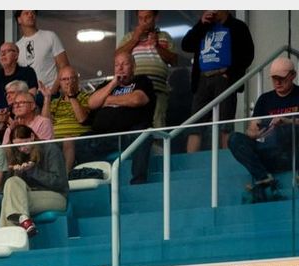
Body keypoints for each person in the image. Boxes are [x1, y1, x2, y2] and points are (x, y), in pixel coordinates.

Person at [181, 11, 254, 154]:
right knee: (195, 123)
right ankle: (191, 159)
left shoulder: (237, 26)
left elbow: (247, 54)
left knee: (225, 123)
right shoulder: (204, 26)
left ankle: (227, 157)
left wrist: (230, 73)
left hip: (224, 77)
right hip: (203, 78)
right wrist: (201, 24)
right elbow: (186, 45)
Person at [229, 56, 299, 202]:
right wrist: (254, 134)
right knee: (234, 138)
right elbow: (251, 129)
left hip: (293, 151)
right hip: (270, 150)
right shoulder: (265, 99)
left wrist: (288, 121)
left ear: (293, 75)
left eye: (281, 78)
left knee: (286, 129)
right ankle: (264, 178)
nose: (277, 82)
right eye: (274, 78)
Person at [78, 51, 154, 185]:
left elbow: (137, 99)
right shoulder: (106, 85)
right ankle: (89, 181)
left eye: (125, 64)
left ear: (133, 67)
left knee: (142, 135)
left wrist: (108, 100)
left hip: (129, 135)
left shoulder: (142, 81)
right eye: (117, 65)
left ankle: (138, 183)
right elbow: (92, 103)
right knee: (81, 141)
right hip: (104, 136)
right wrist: (113, 84)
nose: (120, 68)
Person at [0, 124, 65, 237]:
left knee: (8, 202)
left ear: (32, 136)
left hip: (56, 196)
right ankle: (24, 220)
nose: (22, 149)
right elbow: (9, 187)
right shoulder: (18, 154)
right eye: (18, 146)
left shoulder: (50, 149)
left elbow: (59, 183)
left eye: (24, 143)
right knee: (12, 181)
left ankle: (7, 238)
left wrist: (33, 171)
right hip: (29, 195)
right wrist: (17, 172)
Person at [117, 10, 178, 129]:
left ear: (156, 18)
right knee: (134, 124)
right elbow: (118, 57)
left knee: (157, 124)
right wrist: (134, 39)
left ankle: (158, 141)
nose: (143, 21)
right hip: (134, 91)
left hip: (157, 90)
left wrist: (157, 45)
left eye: (147, 17)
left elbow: (174, 61)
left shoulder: (164, 36)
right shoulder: (129, 37)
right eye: (140, 18)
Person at [42, 66, 91, 170]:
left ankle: (66, 175)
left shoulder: (86, 97)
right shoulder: (55, 102)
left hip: (78, 141)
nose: (68, 82)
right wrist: (47, 98)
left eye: (71, 78)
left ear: (77, 80)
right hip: (55, 142)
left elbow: (82, 119)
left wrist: (71, 96)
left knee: (68, 139)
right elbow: (45, 124)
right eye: (64, 79)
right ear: (59, 83)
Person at [0, 42, 39, 123]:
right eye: (1, 52)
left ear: (16, 55)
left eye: (7, 51)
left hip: (20, 123)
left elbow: (31, 98)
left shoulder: (27, 72)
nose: (3, 54)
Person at [15, 10, 69, 92]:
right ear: (19, 19)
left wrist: (53, 91)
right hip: (28, 96)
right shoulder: (17, 46)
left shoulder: (50, 36)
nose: (30, 15)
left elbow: (64, 67)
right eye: (26, 13)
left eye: (33, 13)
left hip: (50, 92)